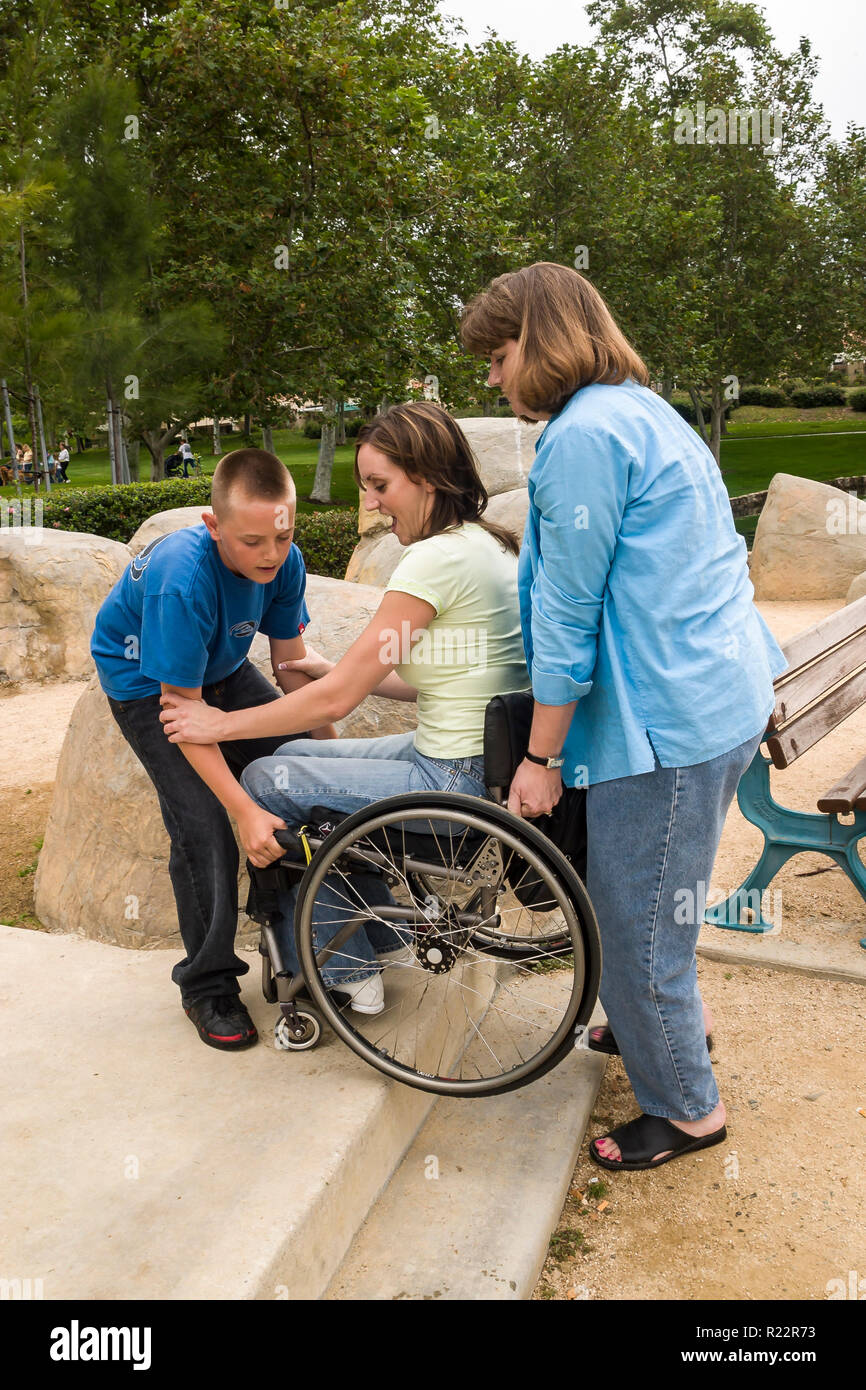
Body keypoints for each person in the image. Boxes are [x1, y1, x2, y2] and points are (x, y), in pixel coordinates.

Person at [460, 262, 788, 1171]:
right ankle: (674, 1028)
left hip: (666, 723)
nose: (493, 376)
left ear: (544, 337)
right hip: (715, 695)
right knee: (657, 904)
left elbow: (568, 614)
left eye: (500, 353)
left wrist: (541, 756)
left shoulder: (581, 438)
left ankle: (687, 1112)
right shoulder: (642, 410)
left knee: (635, 919)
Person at [159, 401, 530, 1015]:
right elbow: (451, 680)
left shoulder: (433, 561)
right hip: (474, 760)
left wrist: (221, 723)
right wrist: (336, 670)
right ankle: (378, 934)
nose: (374, 503)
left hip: (450, 774)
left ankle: (348, 965)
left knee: (266, 778)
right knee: (302, 755)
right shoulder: (489, 547)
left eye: (381, 485)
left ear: (427, 478)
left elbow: (338, 698)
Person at [90, 448, 337, 1051]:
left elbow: (289, 664)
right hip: (152, 688)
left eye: (282, 536)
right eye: (252, 542)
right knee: (204, 827)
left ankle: (299, 940)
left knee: (306, 778)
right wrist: (243, 809)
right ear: (212, 524)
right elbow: (184, 717)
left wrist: (323, 748)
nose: (271, 554)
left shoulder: (285, 561)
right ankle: (207, 985)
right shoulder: (182, 582)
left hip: (221, 673)